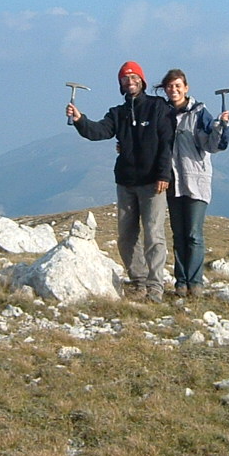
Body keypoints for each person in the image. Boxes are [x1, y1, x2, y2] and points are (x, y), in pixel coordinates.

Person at [67, 61, 175, 302]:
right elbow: (98, 132)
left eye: (134, 77)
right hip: (126, 182)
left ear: (142, 81)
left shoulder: (158, 107)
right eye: (125, 79)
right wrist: (79, 119)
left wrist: (163, 174)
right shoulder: (118, 113)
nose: (130, 81)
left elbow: (167, 143)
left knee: (153, 235)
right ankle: (139, 282)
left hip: (153, 183)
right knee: (126, 236)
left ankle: (156, 287)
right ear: (120, 84)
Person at [160, 68, 229, 299]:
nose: (174, 90)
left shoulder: (200, 113)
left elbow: (213, 145)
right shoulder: (163, 114)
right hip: (172, 182)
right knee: (178, 234)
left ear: (186, 88)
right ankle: (181, 282)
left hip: (196, 181)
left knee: (193, 234)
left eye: (178, 86)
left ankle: (196, 282)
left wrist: (222, 128)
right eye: (170, 86)